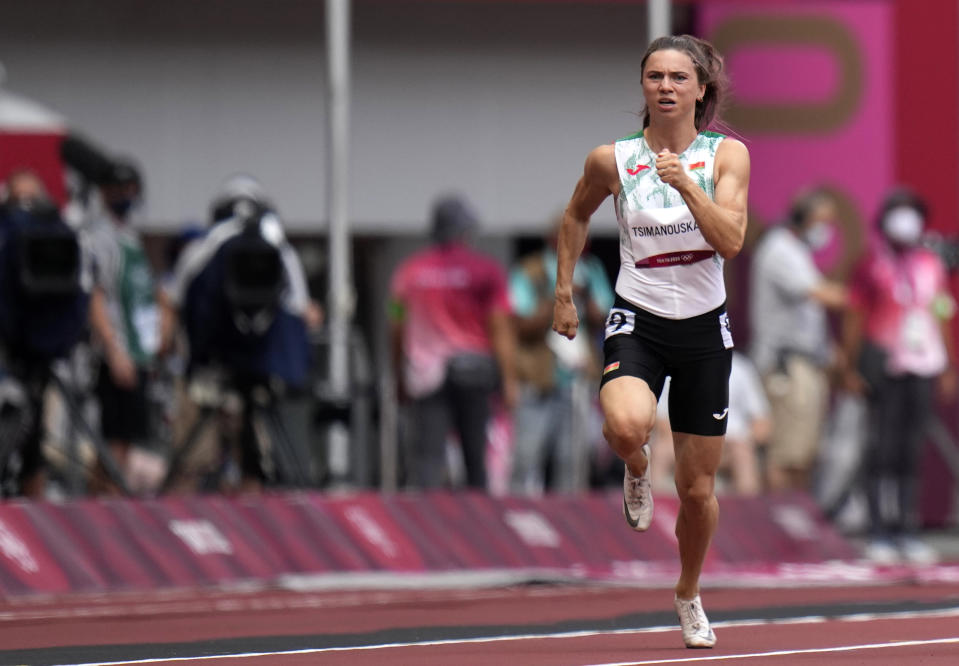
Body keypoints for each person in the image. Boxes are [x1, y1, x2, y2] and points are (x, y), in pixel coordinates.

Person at [551, 34, 749, 648]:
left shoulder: (726, 157)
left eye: (678, 78)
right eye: (654, 77)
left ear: (700, 90)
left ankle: (688, 591)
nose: (665, 87)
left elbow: (732, 241)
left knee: (696, 492)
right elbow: (575, 215)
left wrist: (688, 186)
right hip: (638, 313)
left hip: (703, 329)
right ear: (643, 87)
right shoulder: (613, 160)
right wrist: (563, 291)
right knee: (625, 426)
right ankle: (636, 467)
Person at [841, 187, 956, 565]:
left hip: (923, 365)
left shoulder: (931, 264)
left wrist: (949, 365)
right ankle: (879, 530)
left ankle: (906, 529)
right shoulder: (872, 264)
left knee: (911, 449)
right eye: (899, 212)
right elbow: (855, 317)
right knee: (882, 447)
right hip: (885, 366)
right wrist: (851, 366)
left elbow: (941, 311)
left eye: (913, 212)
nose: (906, 220)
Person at [389, 195, 518, 490]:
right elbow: (500, 328)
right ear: (466, 232)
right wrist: (509, 381)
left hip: (426, 375)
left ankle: (425, 528)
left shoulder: (409, 272)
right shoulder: (487, 272)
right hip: (474, 374)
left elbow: (395, 324)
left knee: (427, 460)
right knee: (475, 460)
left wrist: (398, 375)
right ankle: (476, 527)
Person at [749, 187, 849, 492]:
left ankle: (797, 527)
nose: (826, 230)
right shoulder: (780, 249)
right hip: (788, 366)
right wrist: (867, 297)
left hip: (805, 364)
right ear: (804, 219)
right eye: (823, 221)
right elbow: (821, 294)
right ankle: (780, 527)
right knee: (786, 455)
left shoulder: (798, 252)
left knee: (803, 455)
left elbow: (809, 315)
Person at [509, 214, 614, 495]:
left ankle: (565, 522)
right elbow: (522, 323)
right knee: (526, 458)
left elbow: (603, 316)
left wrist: (587, 294)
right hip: (538, 380)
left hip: (576, 382)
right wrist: (559, 296)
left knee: (572, 463)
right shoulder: (529, 272)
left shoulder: (591, 271)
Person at [86, 159, 162, 494]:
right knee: (113, 439)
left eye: (131, 190)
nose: (126, 197)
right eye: (119, 190)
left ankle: (109, 503)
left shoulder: (129, 237)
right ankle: (102, 507)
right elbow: (95, 297)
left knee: (127, 438)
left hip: (138, 352)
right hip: (117, 355)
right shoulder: (99, 238)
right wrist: (114, 349)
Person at [650, 350, 770, 497]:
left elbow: (761, 421)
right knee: (660, 450)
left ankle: (747, 513)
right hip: (683, 443)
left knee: (743, 454)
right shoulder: (674, 363)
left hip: (728, 445)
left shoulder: (740, 367)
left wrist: (745, 441)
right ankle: (655, 511)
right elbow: (661, 419)